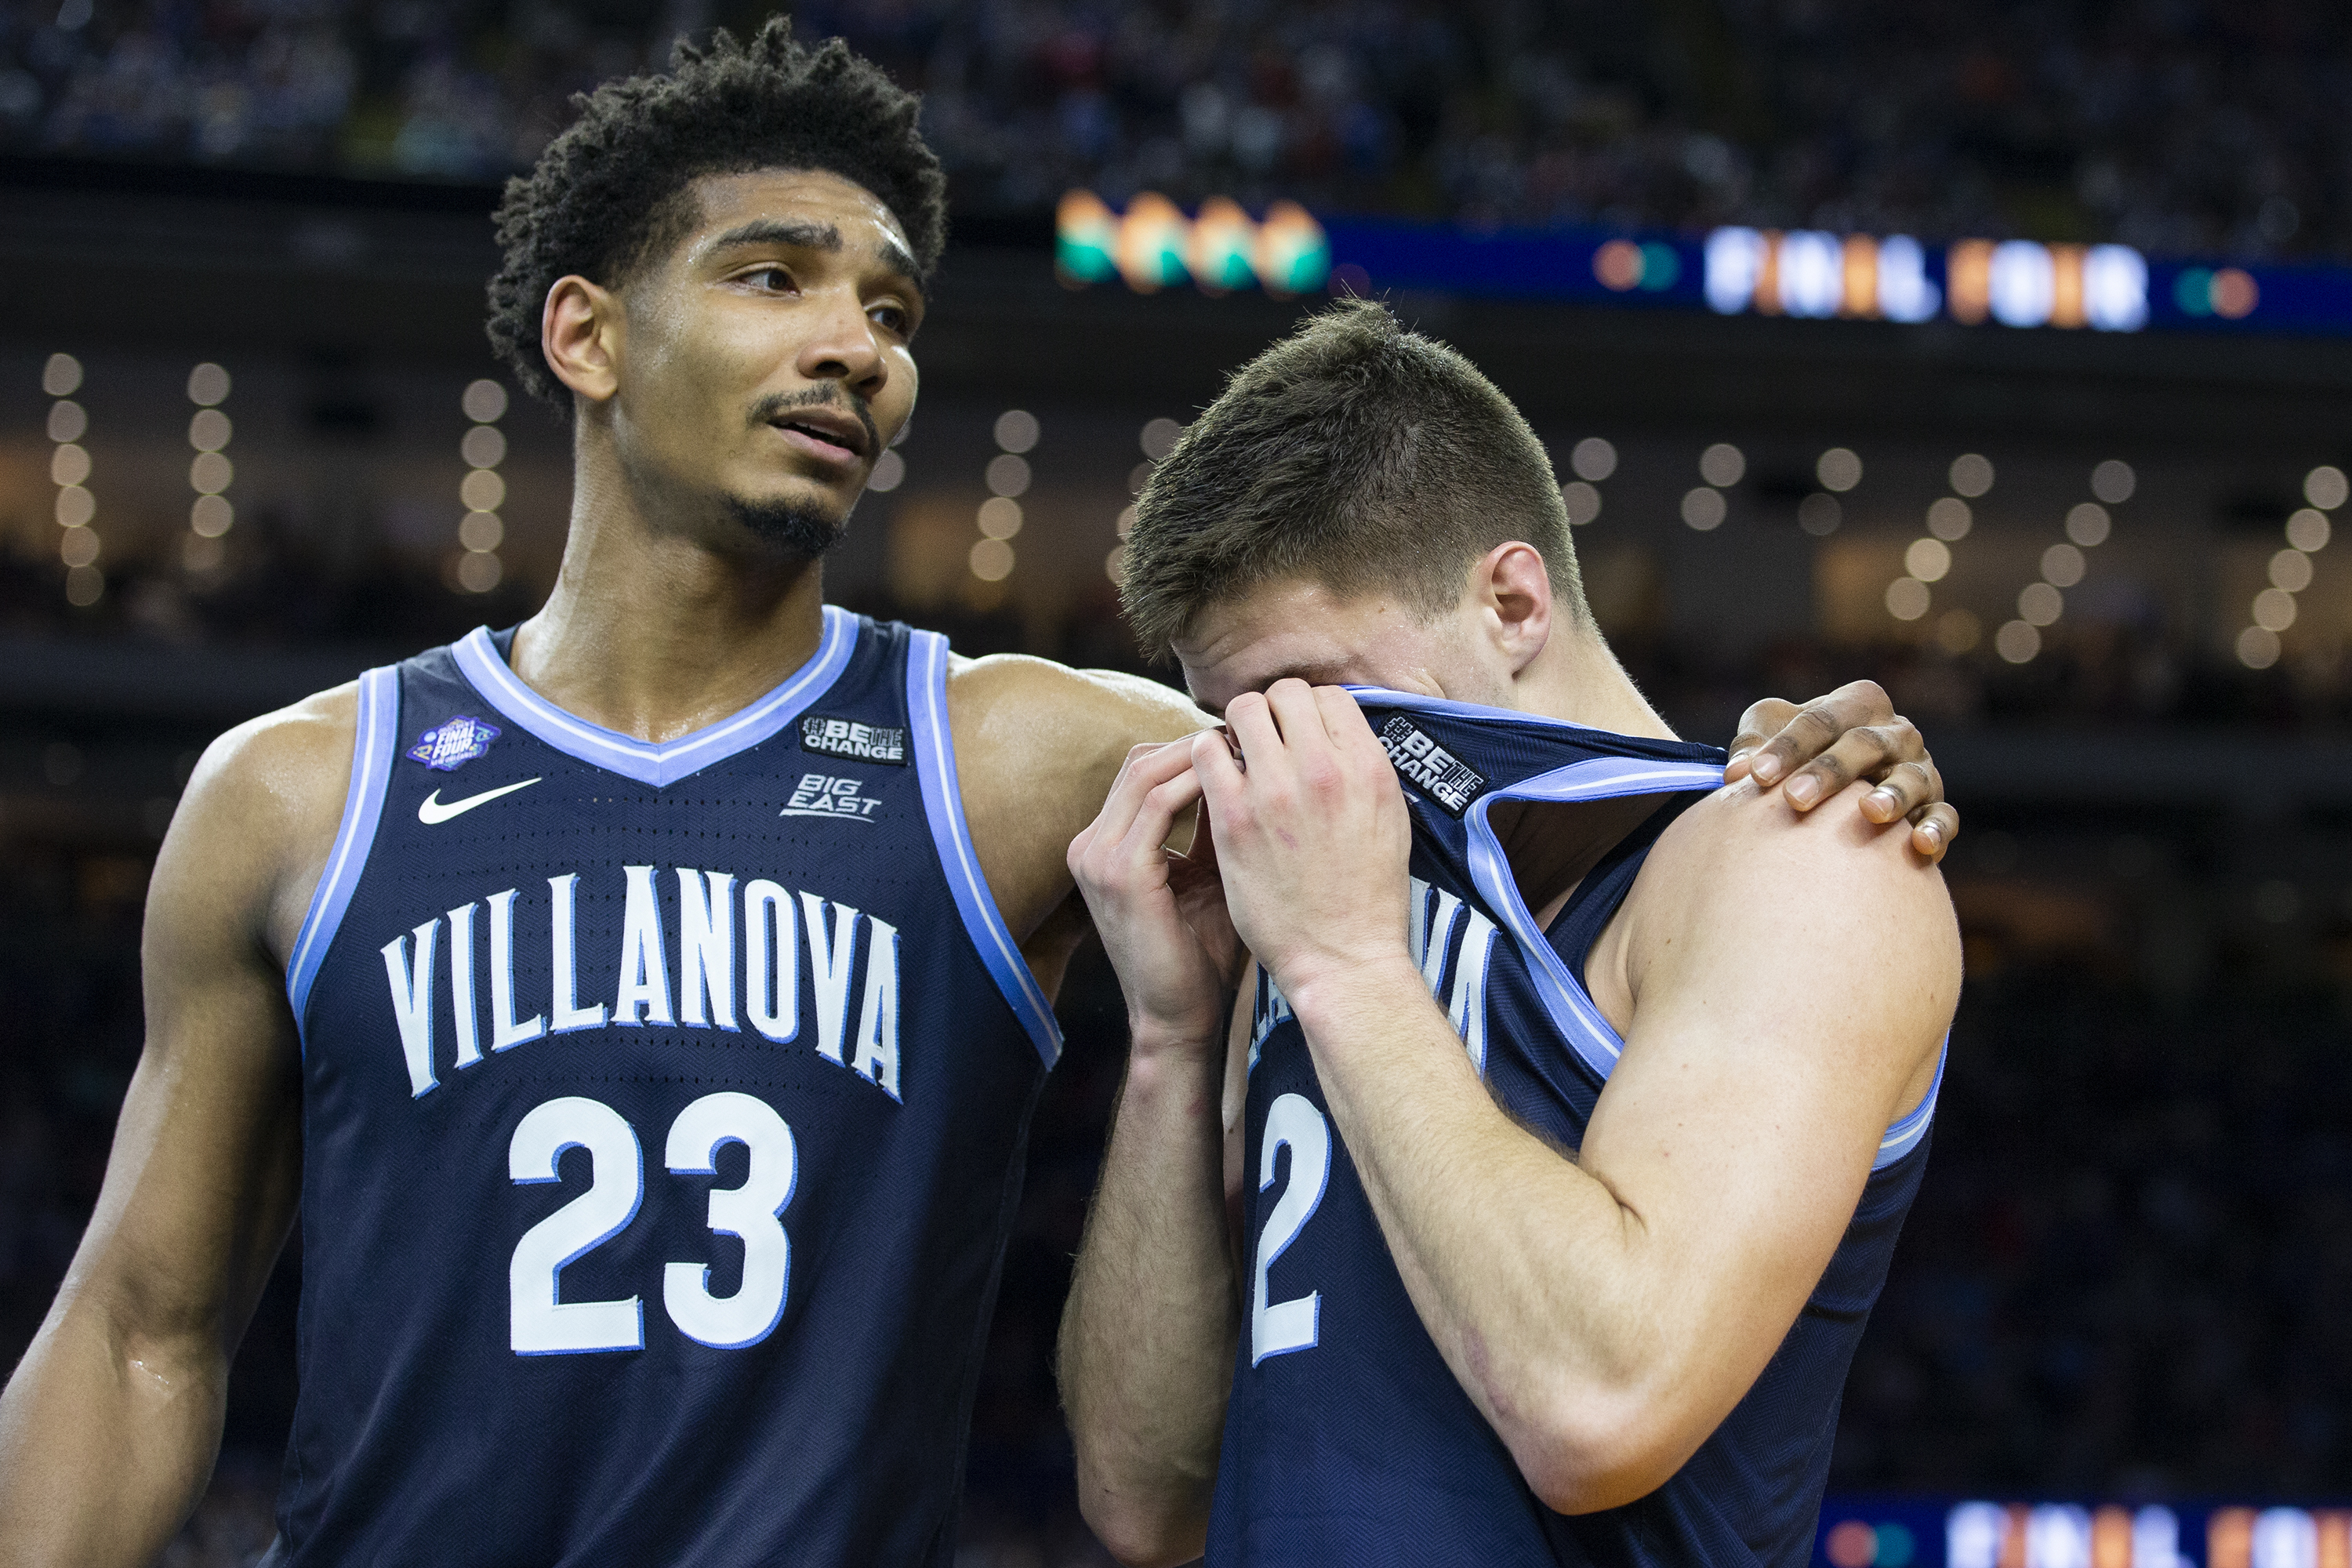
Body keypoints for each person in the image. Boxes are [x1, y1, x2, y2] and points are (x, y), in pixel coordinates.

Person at [0, 27, 1955, 1568]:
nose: (854, 341)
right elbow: (141, 1328)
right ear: (586, 334)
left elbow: (1482, 747)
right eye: (773, 276)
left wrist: (1795, 749)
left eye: (894, 307)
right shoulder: (295, 793)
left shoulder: (1039, 758)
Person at [1060, 299, 1963, 1566]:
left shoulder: (1802, 858)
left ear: (1514, 602)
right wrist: (1170, 1034)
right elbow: (1147, 1504)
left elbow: (1601, 1409)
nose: (1278, 769)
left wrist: (1350, 970)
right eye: (1237, 723)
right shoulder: (1320, 915)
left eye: (1315, 697)